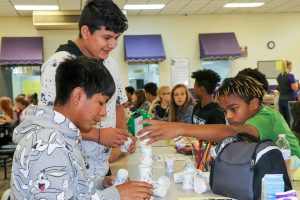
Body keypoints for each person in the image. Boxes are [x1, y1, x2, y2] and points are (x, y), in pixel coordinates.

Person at [10, 57, 152, 200]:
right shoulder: (48, 143)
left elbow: (71, 186)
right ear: (78, 96)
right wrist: (116, 195)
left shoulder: (64, 134)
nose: (104, 113)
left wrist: (99, 184)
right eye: (101, 103)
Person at [40, 0, 132, 177]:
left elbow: (118, 104)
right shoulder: (58, 65)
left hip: (102, 167)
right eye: (107, 37)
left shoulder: (111, 63)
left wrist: (121, 138)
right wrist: (98, 135)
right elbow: (51, 122)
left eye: (117, 38)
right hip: (71, 167)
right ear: (85, 32)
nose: (112, 44)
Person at [138, 75, 300, 158]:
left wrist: (180, 128)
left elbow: (232, 132)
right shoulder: (248, 119)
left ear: (254, 104)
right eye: (225, 111)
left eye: (234, 109)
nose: (228, 116)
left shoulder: (266, 117)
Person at [277, 60, 298, 126]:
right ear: (288, 66)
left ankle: (284, 135)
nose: (292, 67)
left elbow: (280, 88)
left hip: (281, 100)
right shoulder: (290, 76)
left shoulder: (279, 76)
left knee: (284, 121)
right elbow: (294, 88)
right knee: (291, 121)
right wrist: (297, 83)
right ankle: (291, 135)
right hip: (290, 101)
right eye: (291, 65)